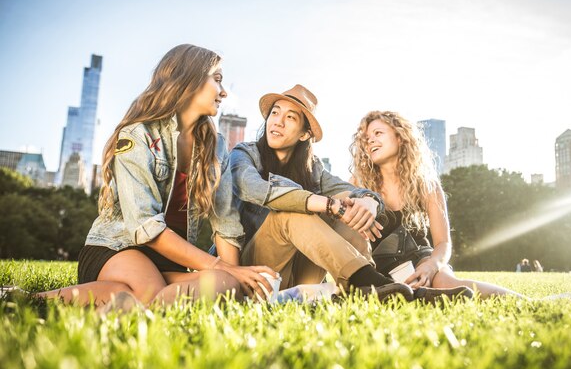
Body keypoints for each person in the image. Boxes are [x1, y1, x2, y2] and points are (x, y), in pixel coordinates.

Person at [30, 44, 277, 307]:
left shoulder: (215, 147)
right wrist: (220, 266)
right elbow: (146, 228)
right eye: (217, 80)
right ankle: (29, 300)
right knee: (152, 292)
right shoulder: (138, 136)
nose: (224, 91)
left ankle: (113, 303)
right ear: (189, 81)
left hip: (168, 261)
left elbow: (225, 225)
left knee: (224, 286)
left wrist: (236, 278)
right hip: (119, 250)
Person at [230, 85, 421, 301]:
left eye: (290, 117)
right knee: (289, 210)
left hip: (300, 276)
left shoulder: (313, 169)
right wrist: (327, 205)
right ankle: (368, 281)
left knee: (348, 202)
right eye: (275, 112)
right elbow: (252, 188)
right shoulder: (245, 154)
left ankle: (369, 287)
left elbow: (350, 192)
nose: (278, 121)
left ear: (304, 134)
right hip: (256, 275)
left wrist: (370, 202)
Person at [350, 111, 526, 299]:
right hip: (376, 266)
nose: (370, 141)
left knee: (445, 283)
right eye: (366, 138)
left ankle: (529, 302)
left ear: (400, 137)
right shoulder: (357, 183)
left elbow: (443, 243)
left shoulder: (427, 185)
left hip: (422, 259)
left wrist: (431, 265)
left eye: (378, 133)